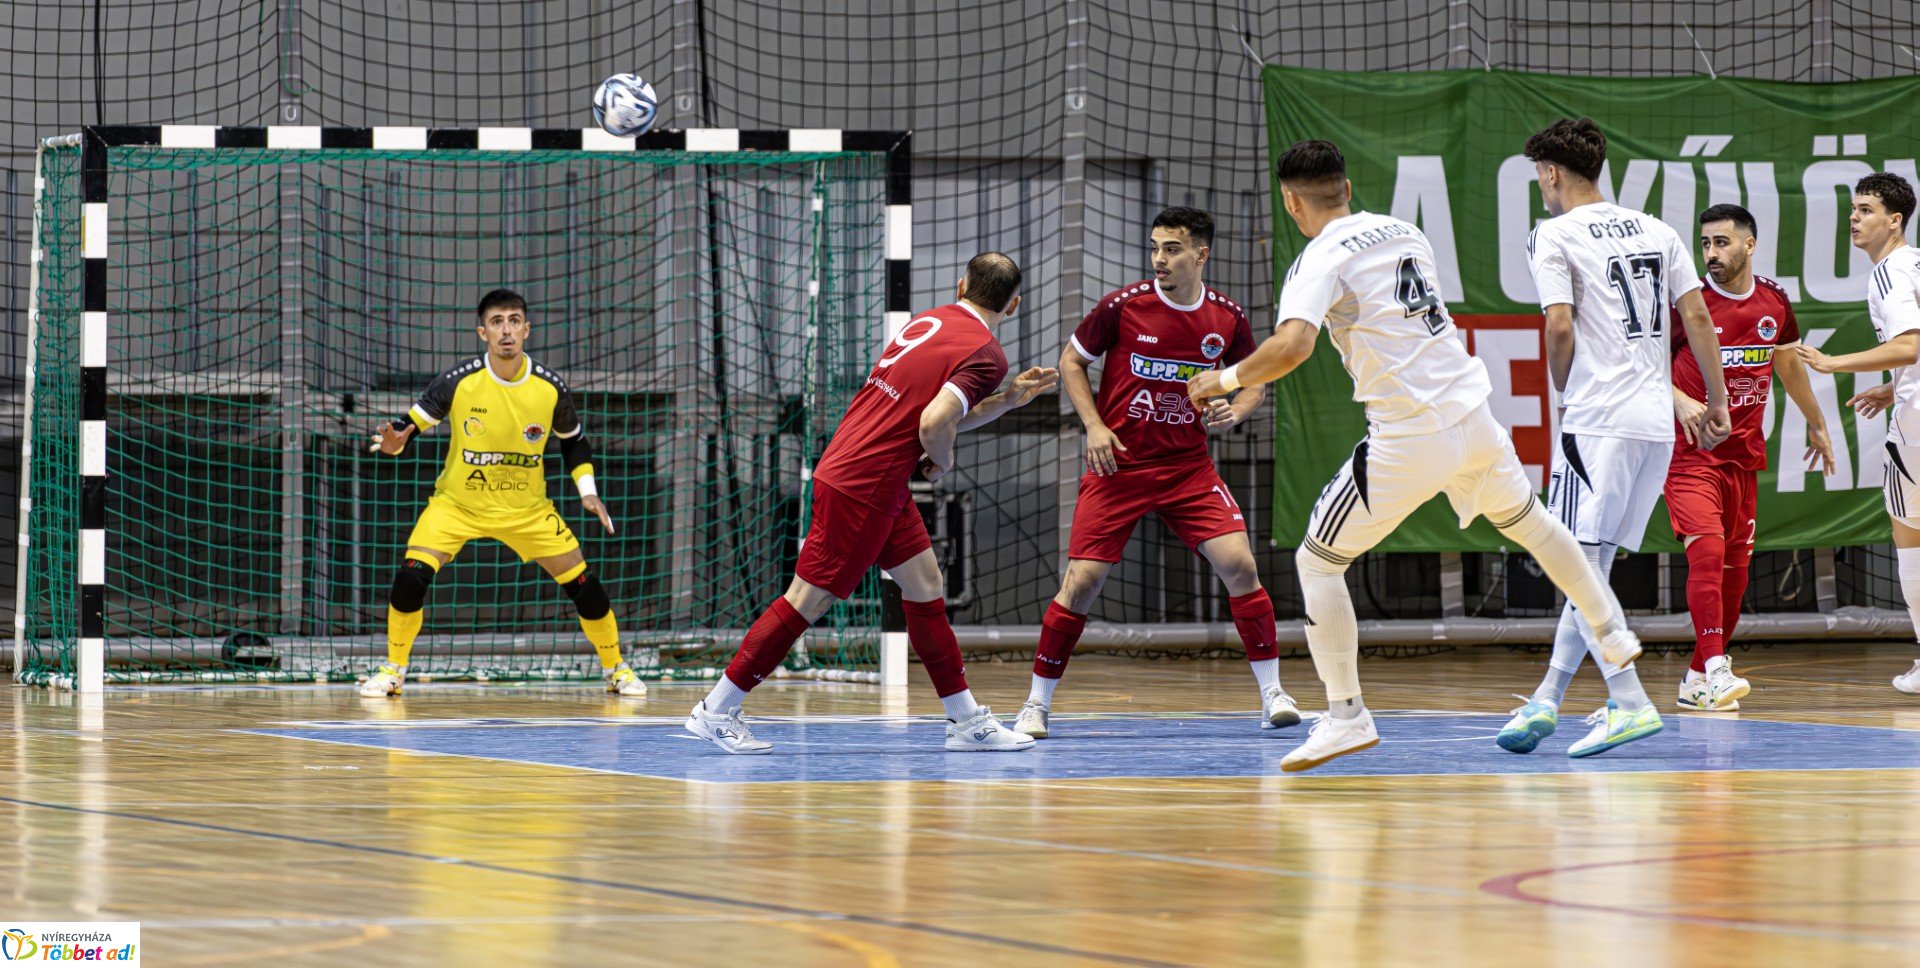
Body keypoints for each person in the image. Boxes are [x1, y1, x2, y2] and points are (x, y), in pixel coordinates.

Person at [1187, 140, 1640, 771]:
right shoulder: (1405, 230)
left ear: (1292, 202)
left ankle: (1346, 716)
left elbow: (1292, 347)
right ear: (1346, 187)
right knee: (1534, 524)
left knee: (1317, 563)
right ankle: (1613, 634)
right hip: (1476, 418)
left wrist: (1224, 379)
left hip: (1408, 435)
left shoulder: (1317, 258)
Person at [685, 253, 1060, 754]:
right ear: (1014, 305)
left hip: (866, 474)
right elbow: (932, 425)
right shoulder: (986, 352)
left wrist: (1008, 400)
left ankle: (965, 721)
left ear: (961, 283)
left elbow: (931, 414)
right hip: (866, 483)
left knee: (926, 584)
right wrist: (941, 461)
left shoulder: (931, 321)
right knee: (807, 600)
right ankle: (717, 709)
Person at [1494, 118, 1731, 757]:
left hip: (1596, 420)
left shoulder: (1553, 234)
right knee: (1589, 567)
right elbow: (1698, 315)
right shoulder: (1656, 229)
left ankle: (1626, 699)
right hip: (1655, 424)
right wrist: (1715, 398)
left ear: (1550, 174)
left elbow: (1560, 326)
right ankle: (1547, 698)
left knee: (1576, 567)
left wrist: (1567, 392)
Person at [1014, 206, 1296, 741]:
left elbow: (1258, 377)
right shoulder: (1124, 306)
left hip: (1187, 468)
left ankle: (1272, 695)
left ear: (1200, 255)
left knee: (1240, 565)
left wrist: (1235, 411)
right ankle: (1035, 705)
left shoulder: (1227, 318)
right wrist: (1094, 426)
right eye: (1155, 248)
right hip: (1117, 465)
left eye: (1171, 249)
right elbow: (1072, 361)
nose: (1159, 259)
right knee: (1082, 582)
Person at [360, 289, 646, 698]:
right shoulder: (458, 382)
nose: (506, 330)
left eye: (514, 320)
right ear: (483, 332)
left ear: (526, 330)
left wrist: (588, 491)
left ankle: (617, 669)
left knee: (585, 586)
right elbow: (407, 426)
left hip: (527, 510)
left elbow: (574, 443)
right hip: (457, 505)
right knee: (410, 577)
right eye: (497, 322)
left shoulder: (549, 388)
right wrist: (394, 443)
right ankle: (393, 670)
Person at [1669, 204, 1835, 711]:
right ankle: (1719, 669)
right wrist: (1678, 399)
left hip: (1744, 457)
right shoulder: (1688, 303)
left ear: (1750, 244)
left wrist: (1817, 421)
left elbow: (1787, 364)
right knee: (1709, 553)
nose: (1712, 253)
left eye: (1721, 242)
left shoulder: (1773, 301)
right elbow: (1640, 365)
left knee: (1737, 572)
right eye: (1705, 244)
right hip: (1690, 454)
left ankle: (1697, 675)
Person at [1798, 172, 1920, 696]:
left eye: (1866, 209)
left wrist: (1833, 363)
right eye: (1853, 208)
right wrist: (1892, 389)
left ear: (1895, 221)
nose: (1854, 217)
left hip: (1916, 426)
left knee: (1908, 533)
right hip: (1908, 404)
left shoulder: (1892, 271)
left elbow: (1910, 344)